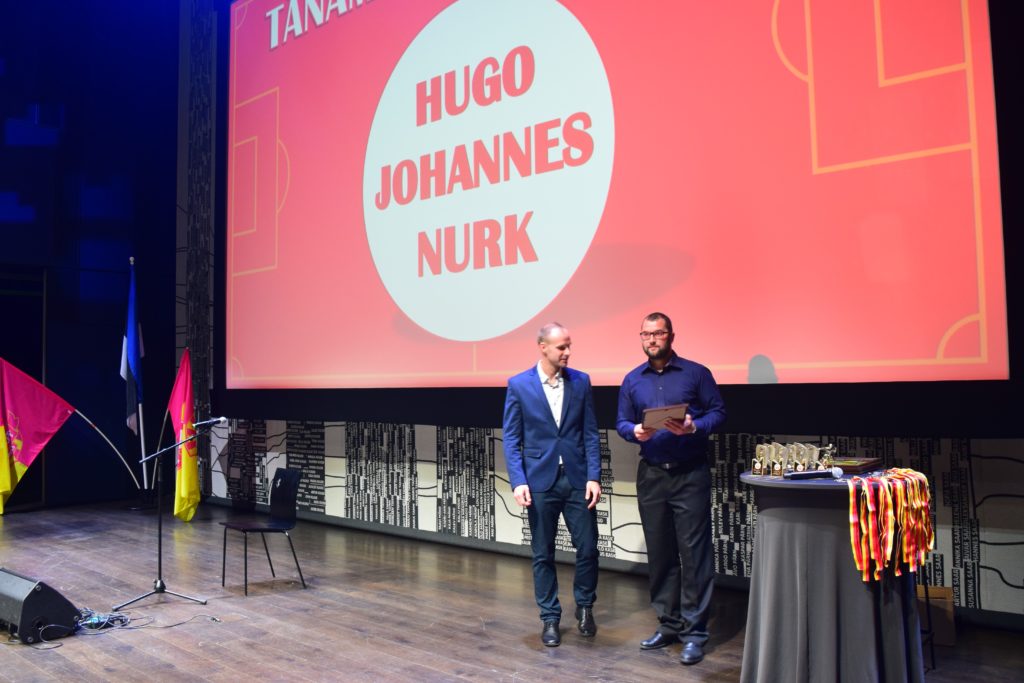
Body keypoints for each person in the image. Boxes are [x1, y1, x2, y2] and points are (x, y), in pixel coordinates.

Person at [616, 312, 726, 665]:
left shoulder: (696, 373)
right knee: (661, 553)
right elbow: (621, 422)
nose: (652, 339)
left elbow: (718, 412)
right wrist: (634, 431)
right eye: (646, 334)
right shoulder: (632, 380)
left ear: (671, 336)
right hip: (652, 474)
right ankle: (669, 624)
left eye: (658, 333)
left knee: (694, 555)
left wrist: (695, 426)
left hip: (689, 473)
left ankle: (695, 633)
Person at [503, 322, 602, 647]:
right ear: (543, 347)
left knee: (588, 548)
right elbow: (512, 438)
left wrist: (593, 476)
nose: (568, 352)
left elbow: (590, 433)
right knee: (543, 553)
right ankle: (549, 617)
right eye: (561, 347)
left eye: (569, 345)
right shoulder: (519, 385)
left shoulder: (581, 381)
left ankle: (585, 606)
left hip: (577, 479)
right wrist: (518, 480)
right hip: (539, 480)